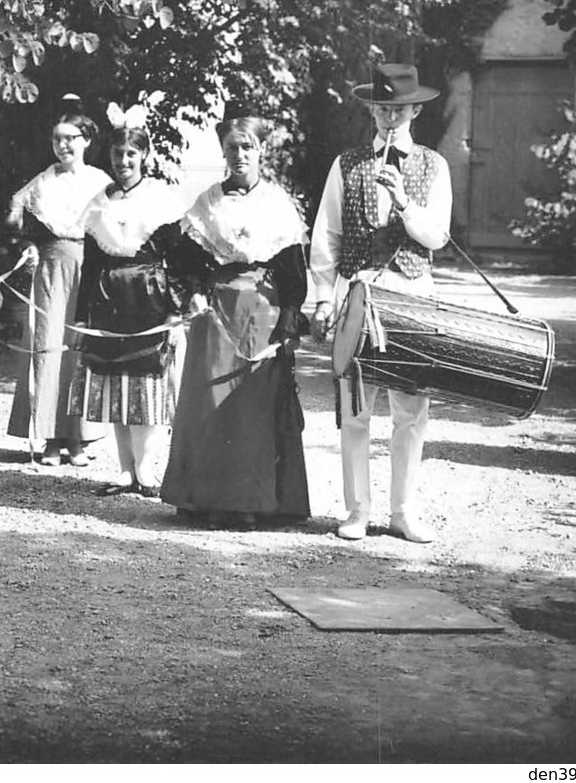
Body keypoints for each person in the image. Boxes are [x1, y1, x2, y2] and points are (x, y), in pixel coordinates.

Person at [309, 63, 452, 544]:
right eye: (382, 109)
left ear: (415, 110)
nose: (390, 118)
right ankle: (356, 510)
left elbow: (437, 235)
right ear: (371, 110)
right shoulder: (347, 164)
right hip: (358, 294)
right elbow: (326, 237)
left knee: (411, 410)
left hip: (411, 296)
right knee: (355, 409)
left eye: (399, 109)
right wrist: (322, 299)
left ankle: (404, 511)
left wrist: (404, 202)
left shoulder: (434, 165)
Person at [159, 111, 312, 526]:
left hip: (263, 312)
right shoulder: (207, 203)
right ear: (223, 152)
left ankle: (252, 502)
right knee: (211, 401)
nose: (240, 154)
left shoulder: (278, 203)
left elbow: (293, 269)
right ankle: (205, 499)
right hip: (216, 313)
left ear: (262, 150)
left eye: (248, 147)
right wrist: (190, 292)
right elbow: (183, 260)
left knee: (252, 407)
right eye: (232, 147)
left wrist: (290, 318)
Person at [72, 101, 190, 499]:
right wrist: (83, 315)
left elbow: (178, 258)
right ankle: (124, 469)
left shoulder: (161, 199)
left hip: (150, 298)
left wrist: (176, 309)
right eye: (118, 154)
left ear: (145, 155)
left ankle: (146, 467)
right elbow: (90, 264)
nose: (124, 161)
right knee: (114, 382)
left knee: (149, 382)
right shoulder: (99, 201)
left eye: (132, 154)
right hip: (109, 299)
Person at [5, 95, 112, 467]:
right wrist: (30, 243)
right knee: (48, 347)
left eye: (71, 138)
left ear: (86, 141)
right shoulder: (43, 181)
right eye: (57, 139)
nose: (63, 145)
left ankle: (78, 439)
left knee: (80, 348)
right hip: (50, 270)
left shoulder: (101, 182)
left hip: (88, 269)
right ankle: (50, 437)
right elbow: (17, 218)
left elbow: (114, 231)